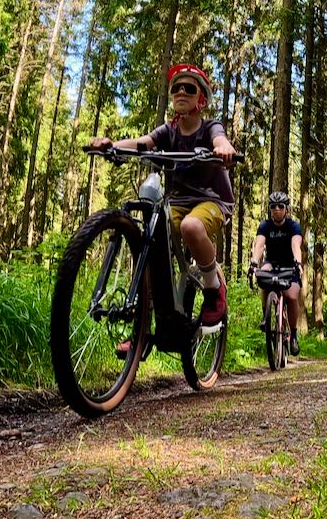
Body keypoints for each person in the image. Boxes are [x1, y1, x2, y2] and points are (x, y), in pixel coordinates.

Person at [88, 63, 236, 330]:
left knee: (192, 226)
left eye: (189, 88)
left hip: (212, 201)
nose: (180, 92)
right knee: (151, 238)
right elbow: (143, 143)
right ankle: (141, 330)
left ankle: (214, 290)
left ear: (201, 99)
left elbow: (219, 139)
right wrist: (113, 146)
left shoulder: (210, 127)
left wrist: (223, 147)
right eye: (175, 88)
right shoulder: (169, 131)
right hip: (176, 204)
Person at [248, 191, 304, 356]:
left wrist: (298, 262)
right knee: (262, 275)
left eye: (280, 206)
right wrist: (253, 263)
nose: (277, 209)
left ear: (286, 209)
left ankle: (293, 335)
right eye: (273, 206)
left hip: (290, 265)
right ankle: (266, 317)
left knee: (292, 296)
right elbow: (259, 245)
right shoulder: (265, 226)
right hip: (272, 263)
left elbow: (296, 245)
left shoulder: (293, 226)